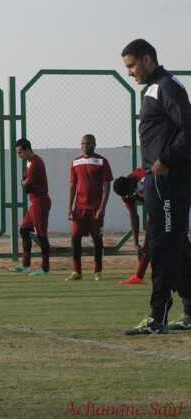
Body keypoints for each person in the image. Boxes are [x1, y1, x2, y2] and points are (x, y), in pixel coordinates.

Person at [121, 39, 191, 334]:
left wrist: (165, 159)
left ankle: (157, 317)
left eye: (132, 65)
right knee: (178, 248)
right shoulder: (152, 89)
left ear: (147, 60)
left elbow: (189, 127)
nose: (130, 72)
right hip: (155, 179)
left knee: (162, 247)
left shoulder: (167, 85)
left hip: (168, 180)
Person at [66, 134, 112, 282]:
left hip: (95, 209)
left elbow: (106, 186)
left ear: (94, 144)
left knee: (97, 239)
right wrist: (70, 207)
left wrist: (102, 208)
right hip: (79, 209)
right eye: (83, 143)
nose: (85, 146)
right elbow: (73, 186)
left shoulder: (102, 161)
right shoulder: (75, 162)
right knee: (75, 238)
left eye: (88, 143)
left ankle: (97, 271)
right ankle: (76, 271)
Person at [10, 138, 51, 277]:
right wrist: (24, 182)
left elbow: (26, 187)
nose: (18, 155)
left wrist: (24, 182)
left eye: (20, 152)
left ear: (27, 149)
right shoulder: (30, 163)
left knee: (42, 235)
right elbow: (24, 181)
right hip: (35, 202)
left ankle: (45, 269)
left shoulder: (36, 163)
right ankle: (26, 266)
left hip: (40, 202)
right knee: (24, 230)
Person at [112, 168, 149, 285]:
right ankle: (139, 276)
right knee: (149, 244)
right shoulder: (126, 194)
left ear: (130, 183)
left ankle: (140, 276)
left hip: (170, 200)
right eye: (126, 195)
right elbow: (134, 216)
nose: (129, 195)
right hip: (157, 209)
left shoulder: (143, 176)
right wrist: (136, 243)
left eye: (129, 192)